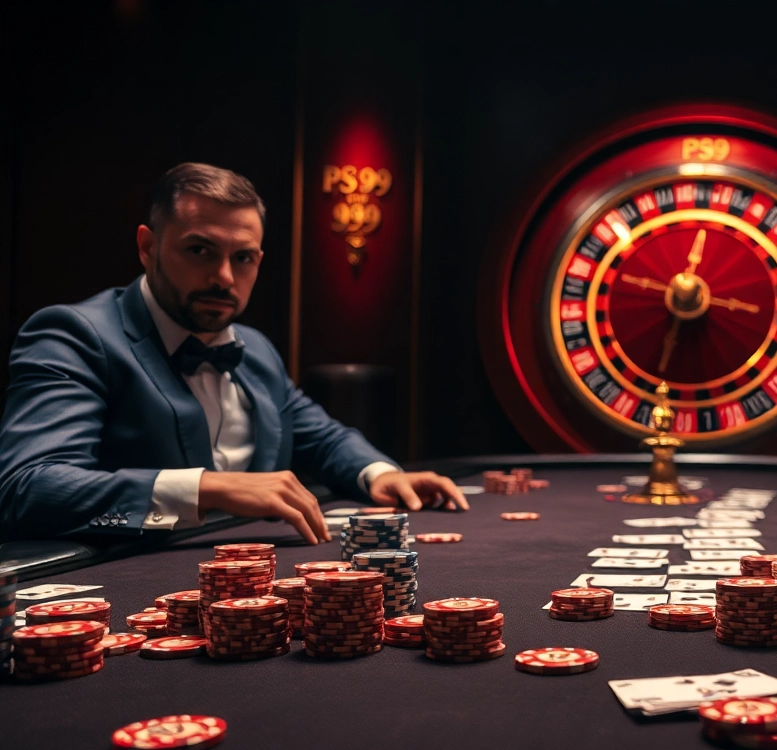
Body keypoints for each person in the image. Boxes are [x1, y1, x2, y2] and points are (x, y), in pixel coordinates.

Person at [0, 162, 468, 544]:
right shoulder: (74, 334)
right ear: (148, 247)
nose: (224, 276)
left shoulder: (255, 348)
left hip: (257, 586)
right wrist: (206, 487)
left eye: (242, 257)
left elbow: (321, 437)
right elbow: (28, 487)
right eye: (200, 250)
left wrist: (379, 473)